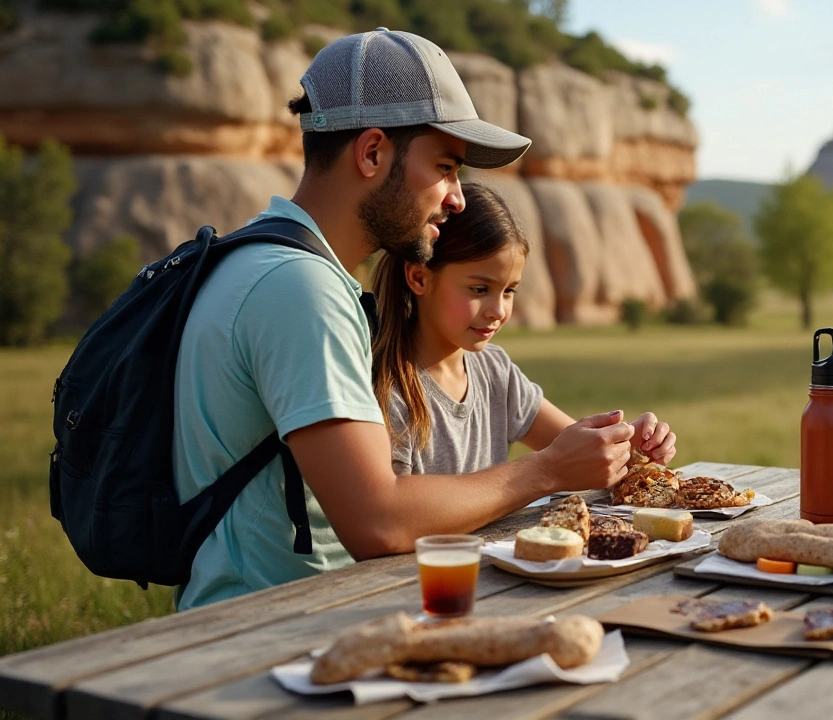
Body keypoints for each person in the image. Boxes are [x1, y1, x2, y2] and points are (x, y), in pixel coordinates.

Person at [173, 29, 637, 611]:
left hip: (298, 614)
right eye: (445, 167)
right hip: (271, 628)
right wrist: (545, 471)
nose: (457, 198)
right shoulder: (299, 290)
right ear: (371, 153)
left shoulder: (263, 260)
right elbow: (379, 522)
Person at [371, 182, 677, 482]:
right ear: (419, 278)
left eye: (509, 291)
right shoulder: (388, 387)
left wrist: (628, 446)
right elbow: (392, 515)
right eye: (480, 289)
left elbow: (580, 452)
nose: (499, 310)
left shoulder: (495, 371)